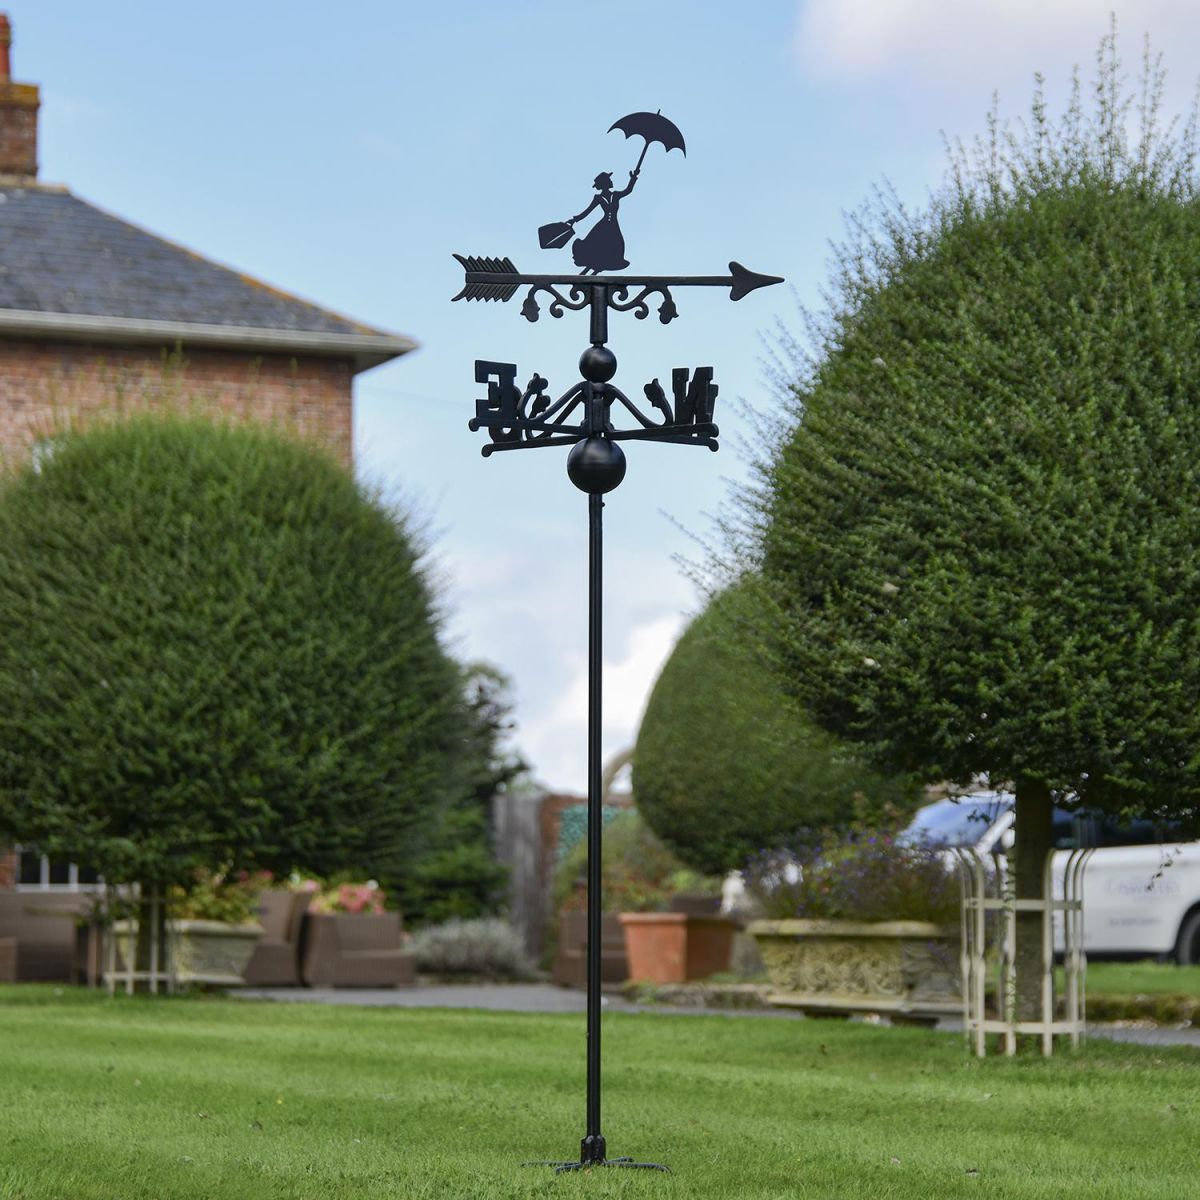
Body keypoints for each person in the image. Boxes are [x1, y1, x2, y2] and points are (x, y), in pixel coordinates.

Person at [565, 170, 638, 274]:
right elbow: (587, 211)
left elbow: (628, 190)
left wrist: (633, 178)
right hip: (603, 226)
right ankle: (587, 270)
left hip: (613, 226)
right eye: (609, 179)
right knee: (596, 247)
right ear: (605, 183)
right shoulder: (598, 198)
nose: (611, 181)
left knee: (611, 248)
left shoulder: (616, 195)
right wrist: (574, 220)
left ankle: (596, 271)